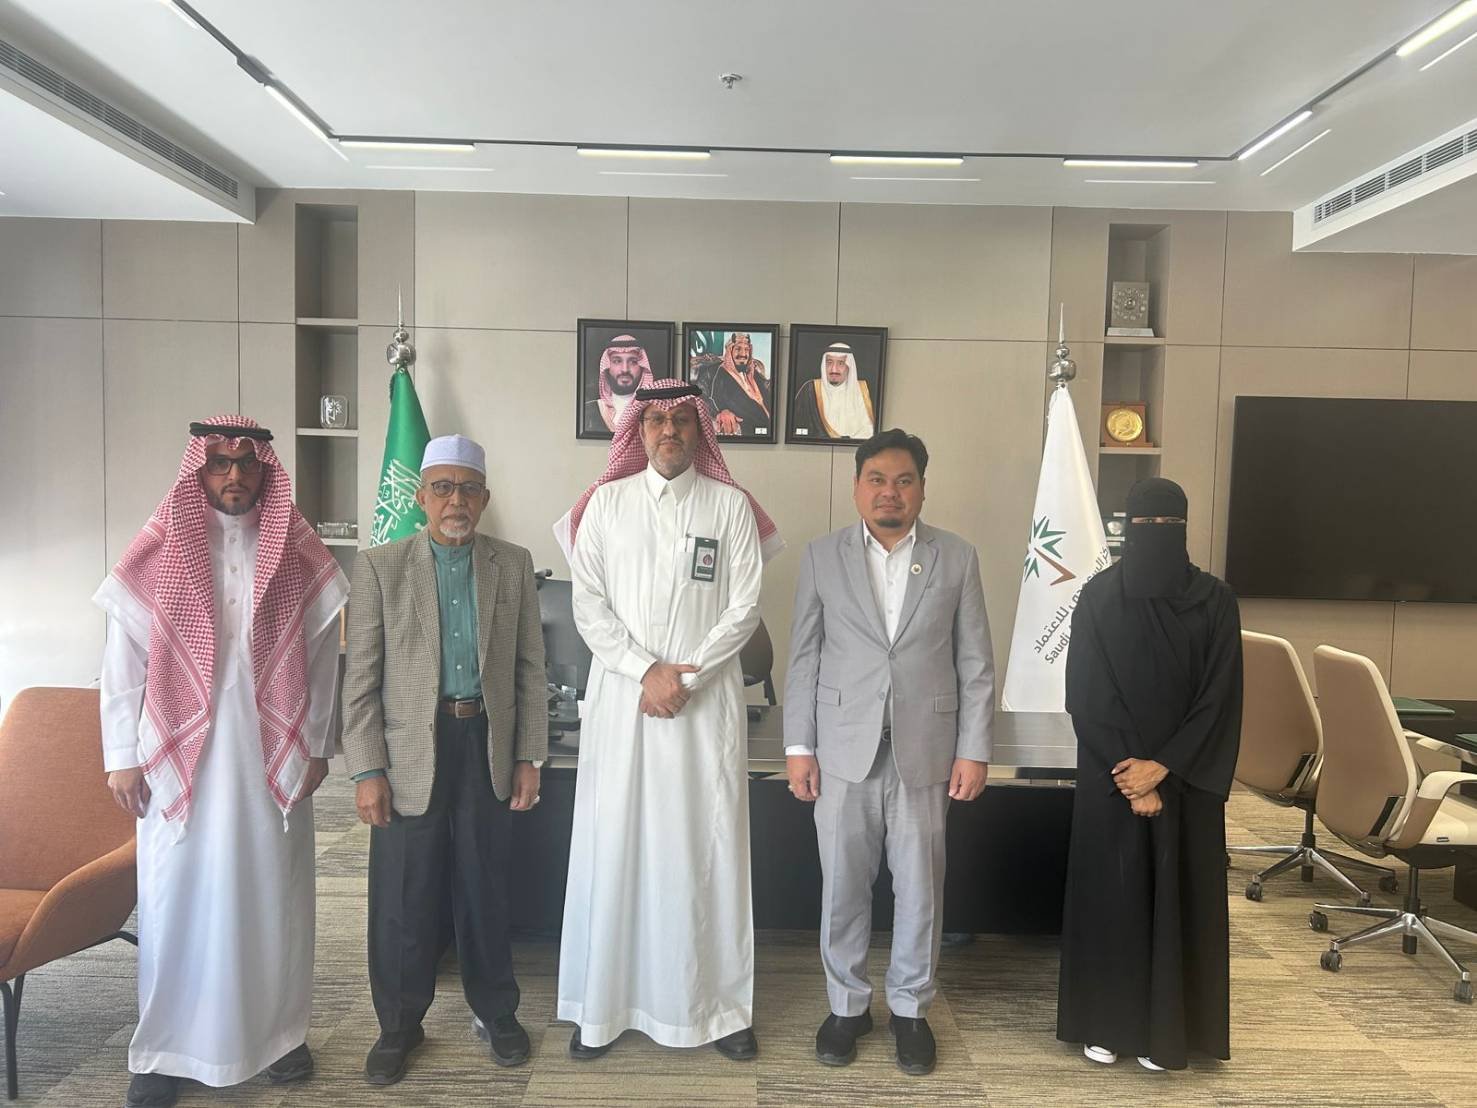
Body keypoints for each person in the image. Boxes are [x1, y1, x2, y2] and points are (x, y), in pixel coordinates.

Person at [94, 416, 348, 1108]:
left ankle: (278, 1036)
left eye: (246, 464)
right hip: (181, 758)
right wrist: (122, 755)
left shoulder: (294, 548)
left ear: (265, 470)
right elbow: (122, 660)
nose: (234, 476)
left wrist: (317, 742)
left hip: (270, 753)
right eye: (219, 463)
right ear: (199, 471)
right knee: (175, 899)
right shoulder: (161, 547)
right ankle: (164, 1051)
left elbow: (322, 656)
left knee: (273, 893)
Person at [553, 380, 783, 1060]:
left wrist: (686, 677)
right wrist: (643, 670)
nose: (668, 431)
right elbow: (587, 605)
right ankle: (603, 1010)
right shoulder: (606, 505)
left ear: (699, 429)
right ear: (637, 429)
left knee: (704, 849)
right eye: (655, 419)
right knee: (615, 846)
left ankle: (717, 1010)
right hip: (624, 706)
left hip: (702, 709)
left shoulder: (729, 507)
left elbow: (744, 607)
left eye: (681, 419)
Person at [784, 428, 994, 1076]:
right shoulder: (822, 557)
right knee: (842, 888)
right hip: (841, 752)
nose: (889, 493)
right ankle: (846, 1006)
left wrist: (974, 749)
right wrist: (799, 746)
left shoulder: (956, 558)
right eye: (876, 480)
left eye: (903, 481)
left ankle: (909, 1008)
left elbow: (975, 663)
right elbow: (803, 658)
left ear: (922, 489)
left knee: (920, 890)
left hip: (926, 753)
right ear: (857, 488)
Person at [341, 433, 547, 1085]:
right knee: (404, 892)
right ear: (421, 496)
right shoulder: (380, 567)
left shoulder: (512, 564)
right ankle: (399, 1025)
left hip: (485, 742)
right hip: (409, 749)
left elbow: (529, 668)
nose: (456, 500)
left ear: (484, 498)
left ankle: (497, 1012)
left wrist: (529, 755)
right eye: (443, 488)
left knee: (485, 884)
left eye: (468, 489)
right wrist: (367, 769)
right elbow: (360, 679)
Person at [1056, 477, 1243, 1072]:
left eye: (1170, 525)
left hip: (1185, 782)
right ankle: (1106, 1025)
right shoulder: (1098, 597)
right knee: (1113, 898)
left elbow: (1220, 698)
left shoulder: (1216, 601)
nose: (1158, 535)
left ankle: (1171, 1033)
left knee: (1179, 899)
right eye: (1146, 525)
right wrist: (1130, 776)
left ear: (1185, 528)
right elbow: (1087, 694)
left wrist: (1163, 768)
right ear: (1127, 530)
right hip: (1113, 779)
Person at [791, 341, 875, 441]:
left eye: (841, 363)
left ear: (849, 366)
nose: (834, 369)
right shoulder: (810, 390)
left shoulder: (864, 391)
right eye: (829, 362)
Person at [704, 332, 772, 437]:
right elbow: (701, 397)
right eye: (738, 349)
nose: (743, 354)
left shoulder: (753, 373)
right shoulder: (716, 373)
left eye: (746, 349)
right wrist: (721, 412)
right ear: (729, 351)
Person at [585, 334, 655, 433]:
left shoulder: (654, 410)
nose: (625, 369)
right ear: (607, 367)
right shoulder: (588, 410)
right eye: (617, 361)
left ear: (642, 367)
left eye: (633, 362)